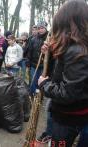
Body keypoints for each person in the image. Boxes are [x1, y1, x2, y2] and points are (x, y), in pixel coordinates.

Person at [38, 0, 88, 146]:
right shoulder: (75, 47)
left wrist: (44, 84)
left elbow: (67, 93)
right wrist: (52, 53)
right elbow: (65, 72)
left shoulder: (77, 51)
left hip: (69, 117)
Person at [27, 21, 48, 97]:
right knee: (33, 81)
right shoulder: (33, 39)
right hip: (34, 64)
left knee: (42, 82)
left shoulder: (49, 38)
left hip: (44, 66)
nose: (40, 30)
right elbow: (30, 52)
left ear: (45, 28)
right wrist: (28, 64)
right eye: (39, 28)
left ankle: (41, 96)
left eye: (42, 28)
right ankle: (33, 96)